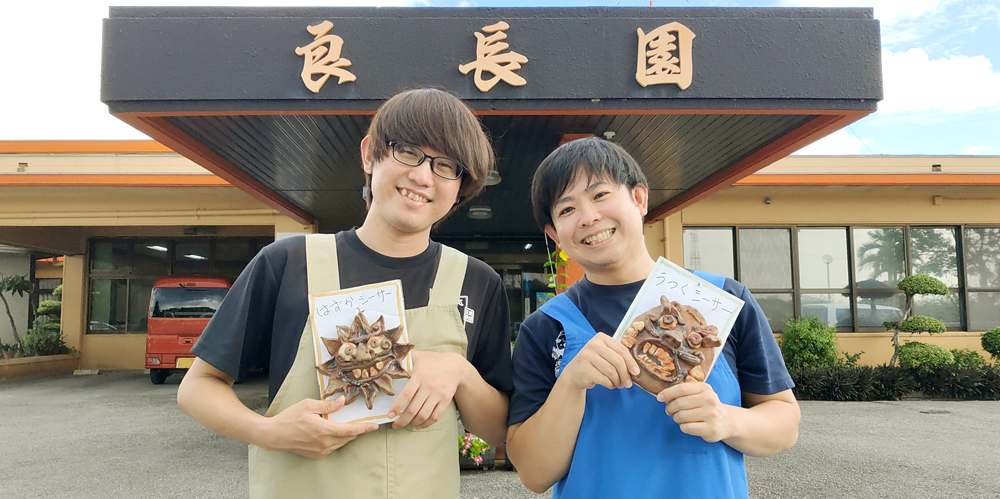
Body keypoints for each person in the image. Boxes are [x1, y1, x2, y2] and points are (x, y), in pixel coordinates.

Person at [177, 88, 512, 499]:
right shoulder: (288, 262)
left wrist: (459, 372)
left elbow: (495, 428)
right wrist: (269, 431)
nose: (423, 177)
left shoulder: (476, 282)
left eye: (447, 165)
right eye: (407, 151)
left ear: (461, 187)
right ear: (370, 154)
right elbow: (197, 387)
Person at [505, 137, 800, 498]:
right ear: (555, 235)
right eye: (566, 210)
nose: (589, 217)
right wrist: (571, 384)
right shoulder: (546, 327)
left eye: (599, 195)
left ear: (639, 198)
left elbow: (784, 423)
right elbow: (534, 474)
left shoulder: (720, 301)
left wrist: (727, 420)